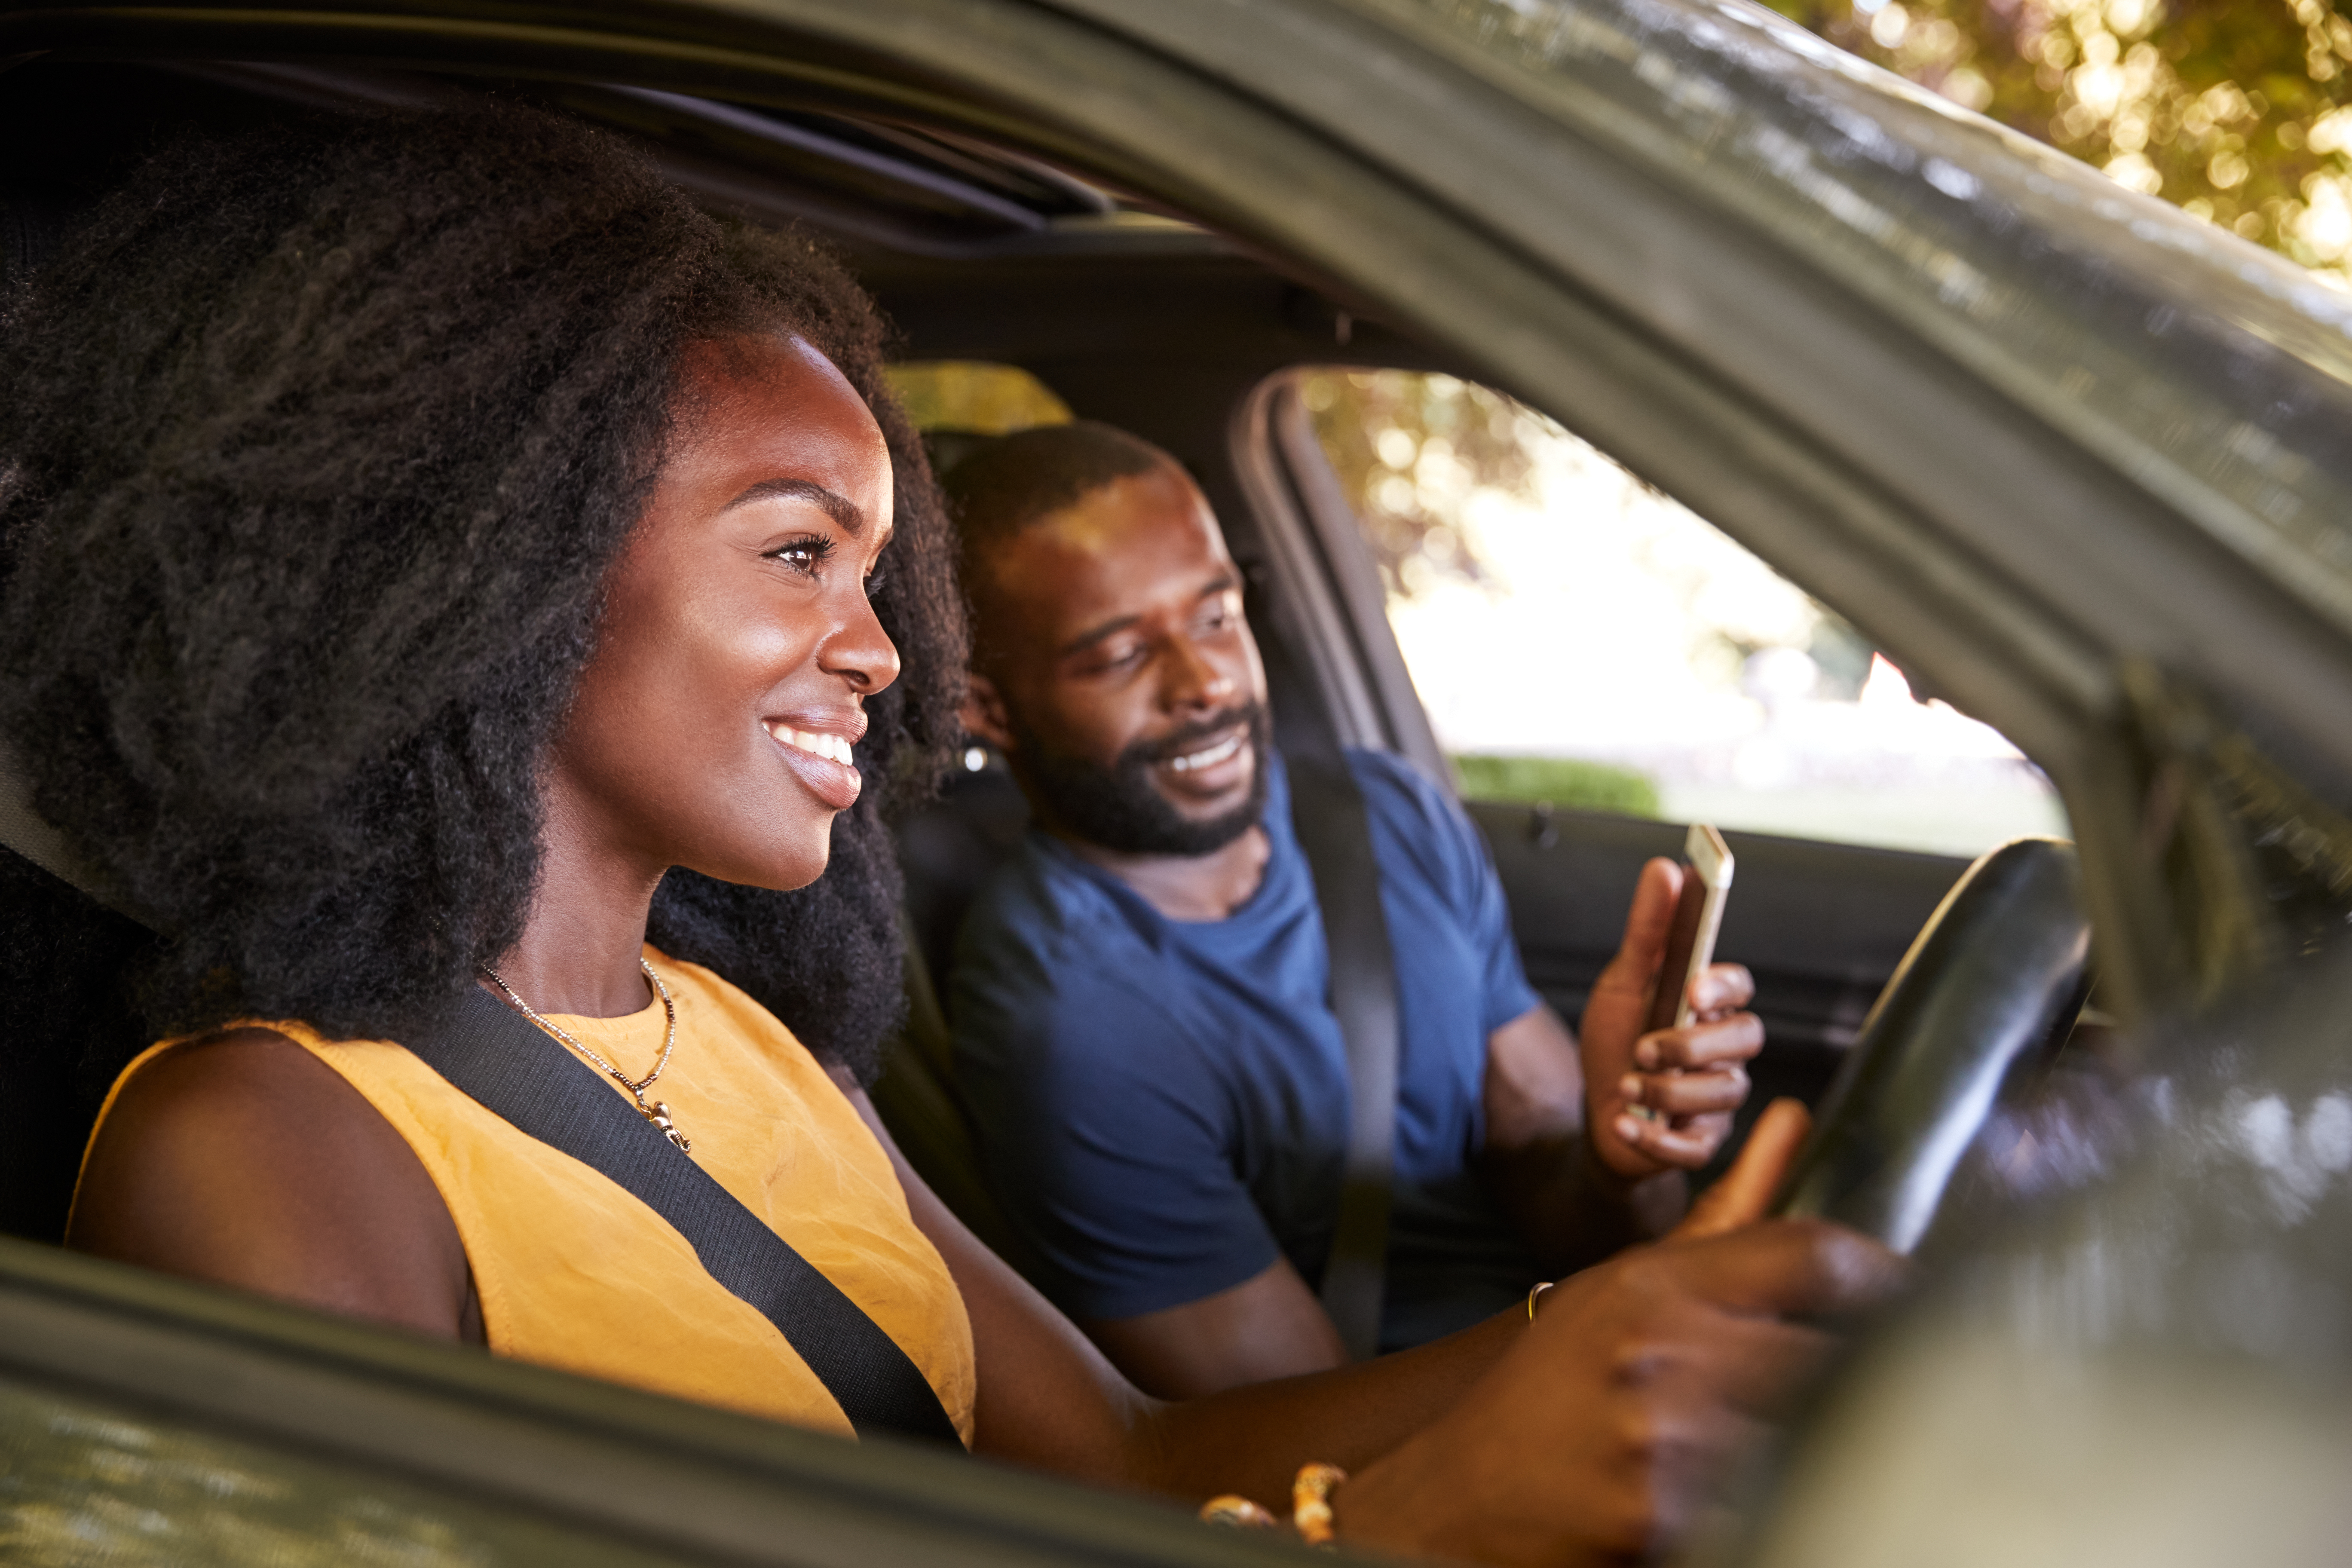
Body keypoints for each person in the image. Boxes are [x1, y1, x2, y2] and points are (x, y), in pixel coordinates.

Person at [3, 107, 1896, 1565]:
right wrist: (1399, 1533)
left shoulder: (736, 1040)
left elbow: (1140, 1463)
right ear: (500, 577)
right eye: (801, 551)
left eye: (881, 564)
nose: (885, 648)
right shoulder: (259, 1150)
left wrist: (1616, 1330)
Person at [943, 423, 1764, 1395]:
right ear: (987, 710)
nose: (1206, 682)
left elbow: (1568, 1198)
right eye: (1122, 655)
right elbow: (1305, 1440)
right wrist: (1637, 1317)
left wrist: (1625, 1155)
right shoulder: (1068, 1014)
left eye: (1216, 617)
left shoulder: (1383, 812)